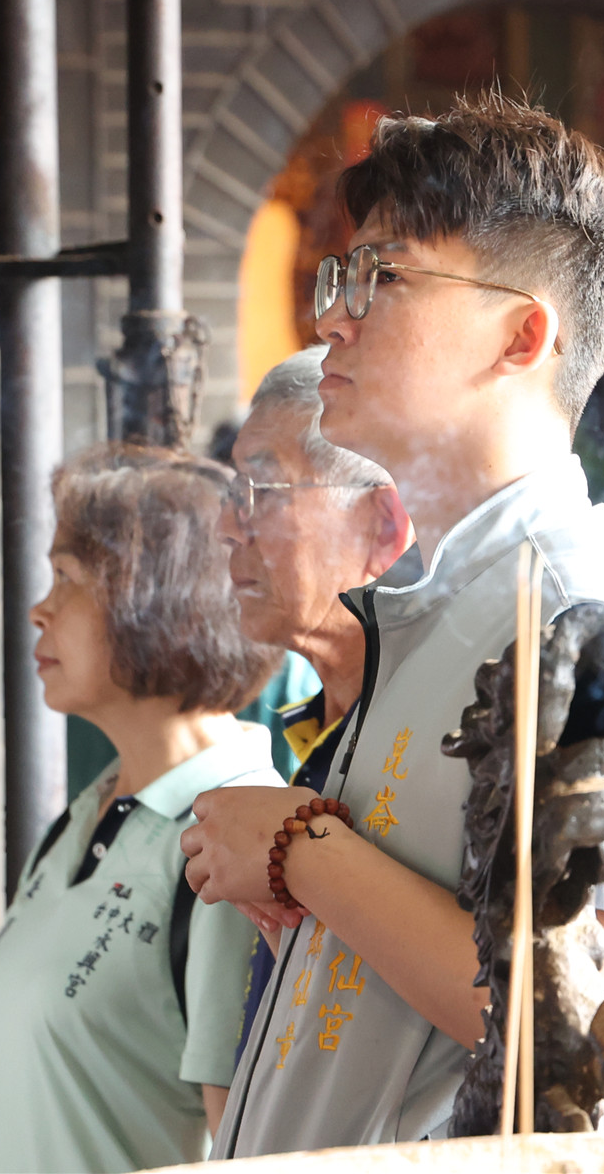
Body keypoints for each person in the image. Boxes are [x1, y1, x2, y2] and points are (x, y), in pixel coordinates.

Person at [181, 92, 604, 1154]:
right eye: (343, 276)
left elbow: (589, 1044)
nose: (333, 318)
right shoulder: (437, 610)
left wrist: (302, 849)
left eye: (384, 277)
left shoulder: (588, 617)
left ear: (523, 336)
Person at [0, 445, 284, 1173]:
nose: (40, 610)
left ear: (160, 598)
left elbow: (247, 1154)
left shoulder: (236, 838)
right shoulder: (93, 810)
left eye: (68, 579)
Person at [218, 345, 416, 1054]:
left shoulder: (437, 740)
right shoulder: (305, 733)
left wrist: (294, 851)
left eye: (261, 492)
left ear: (383, 525)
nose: (227, 527)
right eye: (233, 493)